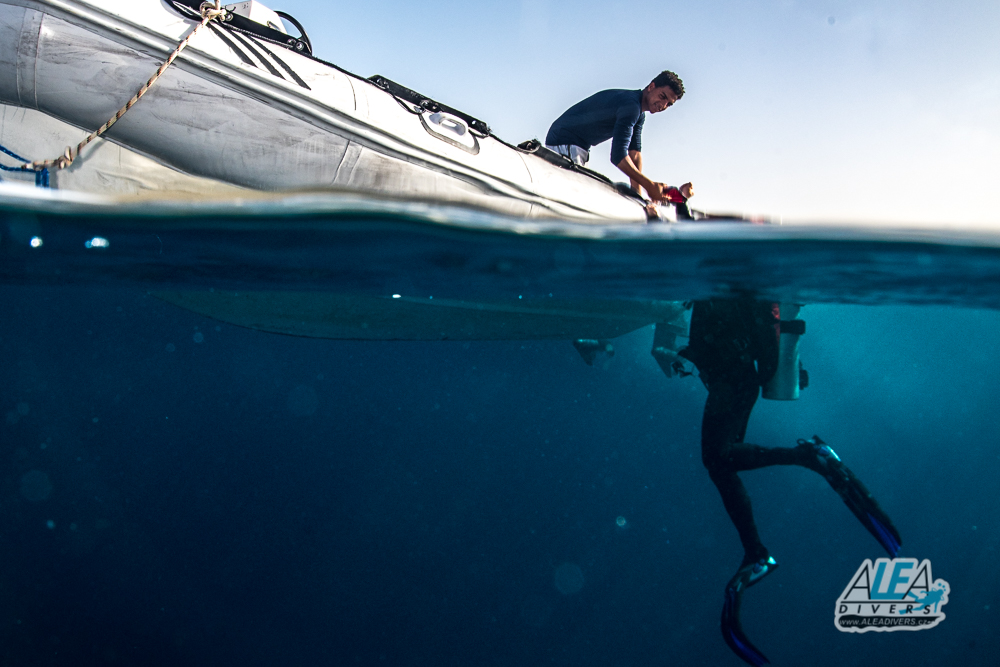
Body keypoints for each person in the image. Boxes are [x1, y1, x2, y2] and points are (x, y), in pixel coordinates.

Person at [667, 296, 902, 666]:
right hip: (735, 373)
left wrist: (694, 350)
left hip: (732, 375)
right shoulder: (727, 279)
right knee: (722, 461)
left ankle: (808, 459)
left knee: (718, 457)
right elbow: (745, 320)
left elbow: (736, 319)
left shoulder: (728, 277)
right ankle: (756, 551)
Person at [545, 71, 692, 205]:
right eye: (663, 97)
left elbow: (634, 154)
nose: (663, 105)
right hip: (565, 139)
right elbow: (618, 156)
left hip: (579, 147)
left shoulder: (639, 114)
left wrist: (638, 195)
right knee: (574, 202)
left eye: (669, 104)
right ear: (651, 86)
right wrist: (650, 186)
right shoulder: (631, 106)